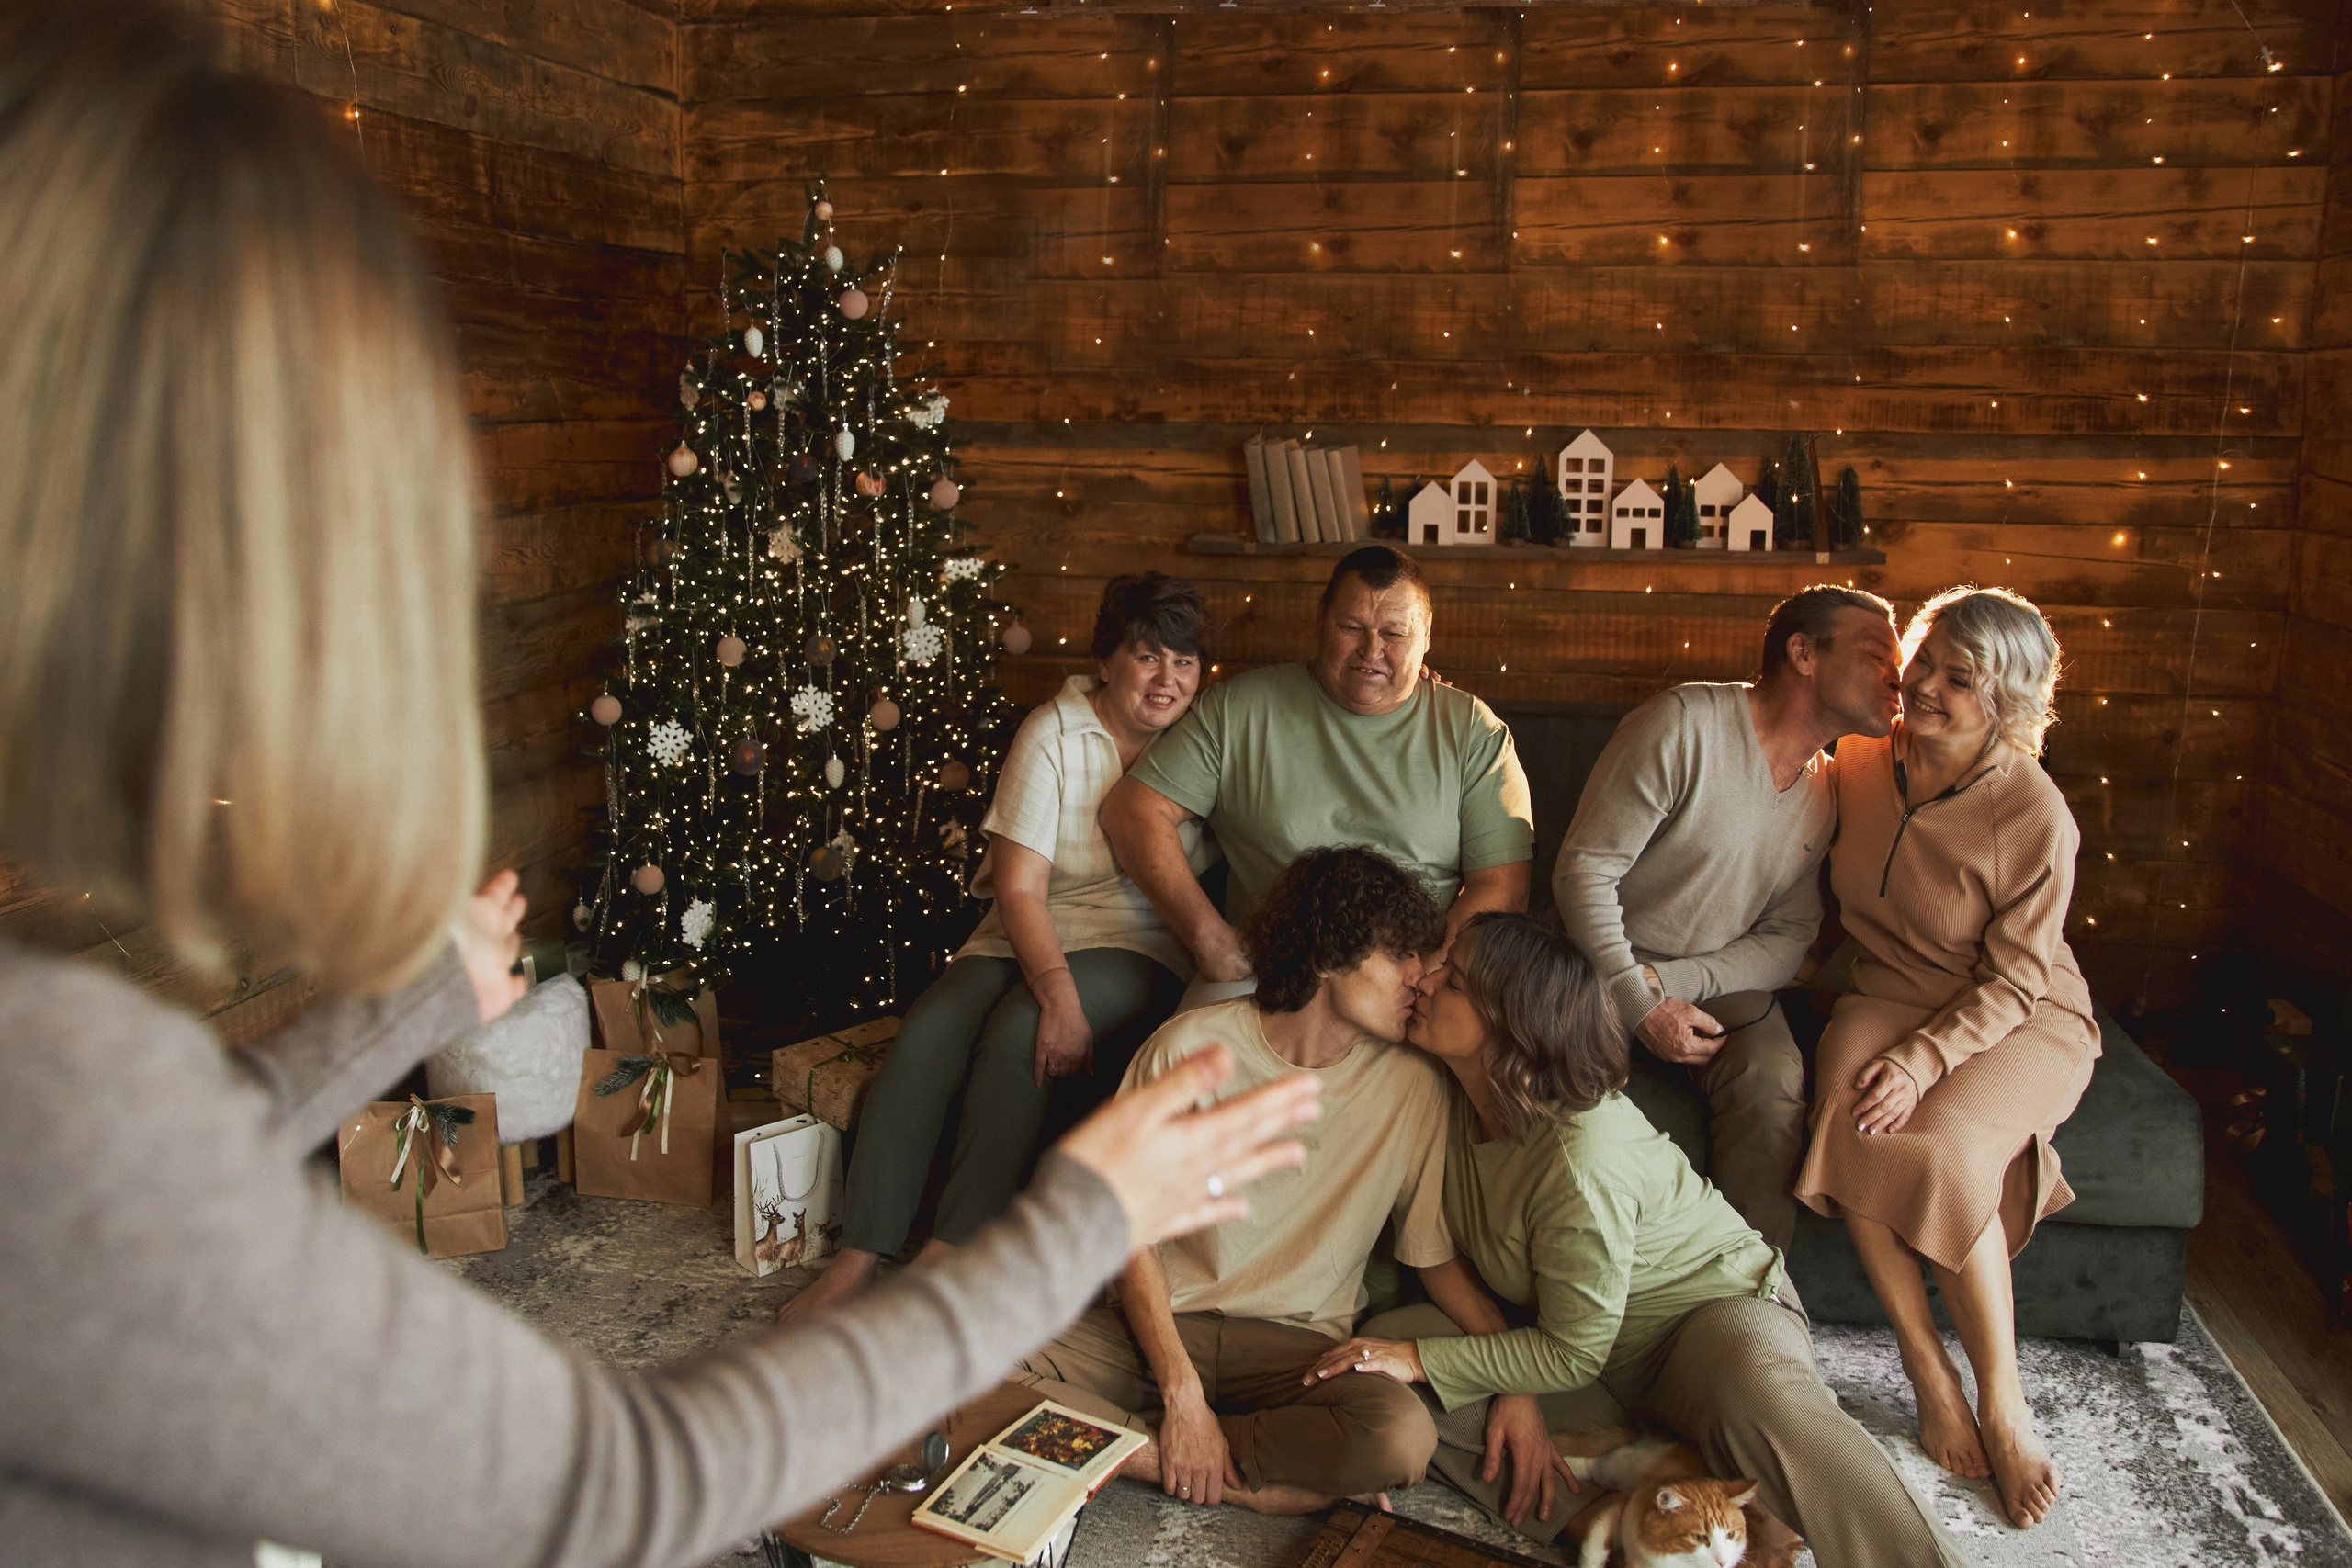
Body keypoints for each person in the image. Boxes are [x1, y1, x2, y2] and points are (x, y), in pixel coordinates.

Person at [0, 8, 1324, 1562]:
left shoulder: (61, 1085)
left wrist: (408, 1003)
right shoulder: (57, 1086)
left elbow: (156, 1150)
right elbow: (623, 1484)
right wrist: (1079, 1224)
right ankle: (880, 1252)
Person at [1311, 914, 1970, 1568]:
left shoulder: (1579, 1158)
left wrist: (1445, 1363)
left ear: (1509, 1023)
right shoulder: (1448, 1090)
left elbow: (1569, 1353)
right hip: (1584, 1355)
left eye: (1451, 980)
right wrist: (1489, 1381)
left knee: (1765, 1398)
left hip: (1703, 1318)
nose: (1424, 982)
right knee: (1382, 1367)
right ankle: (1613, 1517)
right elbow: (1460, 1269)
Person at [1017, 847, 1508, 1514]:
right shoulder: (1187, 1048)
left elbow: (1435, 1258)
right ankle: (1264, 1487)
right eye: (1399, 956)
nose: (1421, 979)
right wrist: (1181, 1391)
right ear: (1330, 956)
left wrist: (1518, 1376)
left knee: (1400, 1436)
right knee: (963, 1363)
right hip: (1163, 1324)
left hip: (1299, 1353)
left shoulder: (1415, 1086)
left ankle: (1167, 1456)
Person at [782, 573, 1216, 1325]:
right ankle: (856, 1258)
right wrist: (1058, 989)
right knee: (929, 1031)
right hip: (1029, 921)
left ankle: (948, 1258)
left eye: (1183, 661)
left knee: (1020, 1034)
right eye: (1147, 657)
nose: (1166, 679)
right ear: (1107, 657)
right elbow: (1018, 888)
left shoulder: (1209, 733)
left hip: (1136, 939)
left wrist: (1054, 1004)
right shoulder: (1053, 730)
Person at [1794, 586, 2097, 1531]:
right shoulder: (1851, 762)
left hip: (2017, 1010)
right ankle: (1925, 1366)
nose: (1919, 686)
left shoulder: (2034, 813)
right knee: (1847, 1115)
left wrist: (1925, 1064)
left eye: (1954, 679)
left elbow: (2012, 983)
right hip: (1885, 987)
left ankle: (2002, 1403)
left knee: (1946, 1150)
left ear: (2004, 701)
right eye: (1920, 660)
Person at [1552, 585, 1903, 1247]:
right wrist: (1638, 999)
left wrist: (1672, 984)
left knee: (1774, 1079)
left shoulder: (1826, 789)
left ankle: (1753, 1292)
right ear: (1803, 652)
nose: (1897, 675)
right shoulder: (1684, 722)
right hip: (1591, 967)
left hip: (1706, 982)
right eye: (1874, 654)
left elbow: (1789, 937)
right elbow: (1583, 872)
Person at [1101, 546, 1533, 1009]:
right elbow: (1134, 810)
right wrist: (1208, 938)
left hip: (1414, 986)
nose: (1372, 650)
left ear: (1426, 635)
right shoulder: (1241, 709)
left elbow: (1503, 885)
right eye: (1351, 628)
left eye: (1395, 633)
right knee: (1180, 1067)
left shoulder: (1473, 731)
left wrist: (1427, 975)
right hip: (1267, 974)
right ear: (1321, 619)